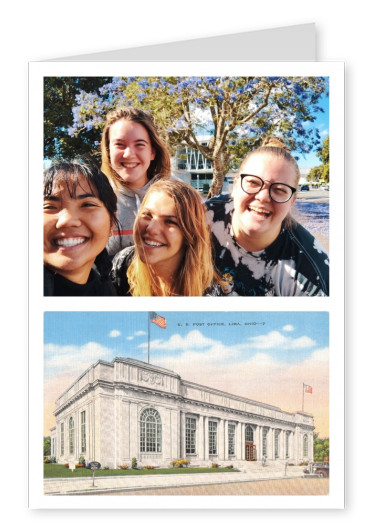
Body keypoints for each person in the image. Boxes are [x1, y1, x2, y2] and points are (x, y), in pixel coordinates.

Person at [206, 137, 329, 296]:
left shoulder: (311, 274)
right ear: (235, 186)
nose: (263, 197)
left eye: (279, 189)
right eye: (253, 183)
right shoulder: (202, 217)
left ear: (292, 201)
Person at [111, 180, 224, 296]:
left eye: (170, 222)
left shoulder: (209, 294)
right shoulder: (122, 264)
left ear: (190, 234)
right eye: (147, 215)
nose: (151, 229)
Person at [101, 106, 171, 257]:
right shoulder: (96, 200)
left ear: (152, 152)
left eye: (139, 144)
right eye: (119, 144)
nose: (129, 154)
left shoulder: (176, 197)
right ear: (108, 151)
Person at [44, 158, 119, 296]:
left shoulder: (106, 291)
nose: (67, 220)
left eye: (87, 205)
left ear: (112, 224)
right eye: (49, 207)